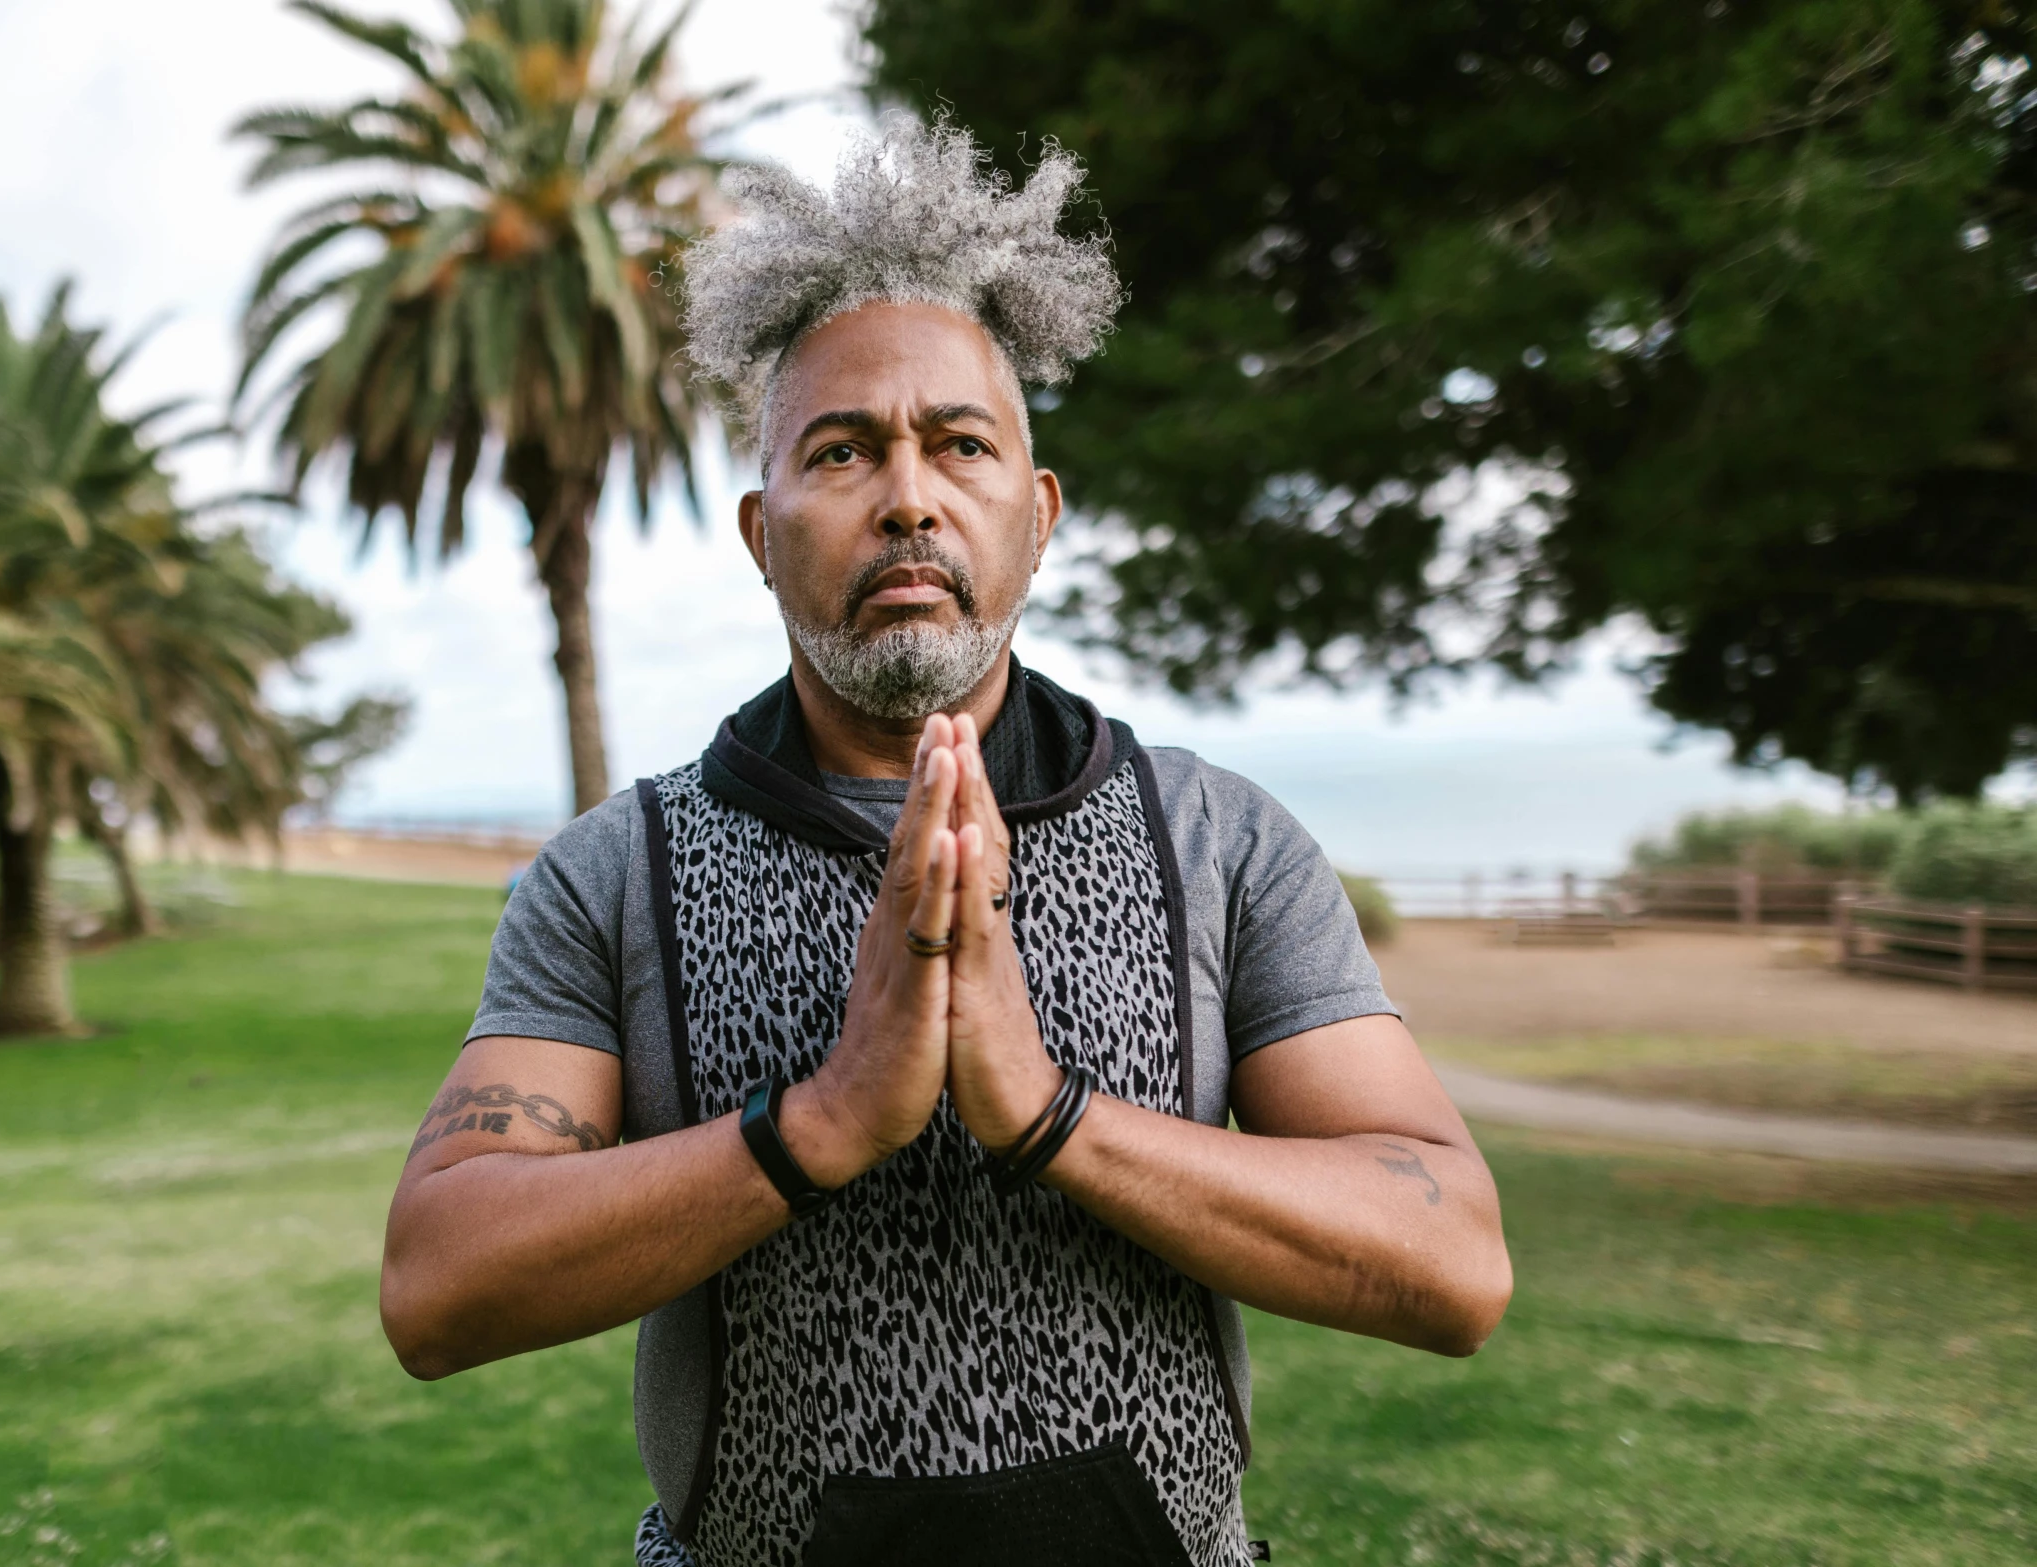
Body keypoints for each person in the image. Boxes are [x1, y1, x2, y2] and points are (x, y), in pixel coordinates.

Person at [379, 117, 1513, 1567]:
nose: (907, 495)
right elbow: (438, 1284)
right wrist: (823, 1119)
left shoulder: (1218, 839)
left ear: (1033, 517)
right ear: (760, 531)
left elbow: (1454, 1262)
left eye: (958, 443)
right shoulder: (615, 870)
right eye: (841, 450)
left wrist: (1047, 1114)